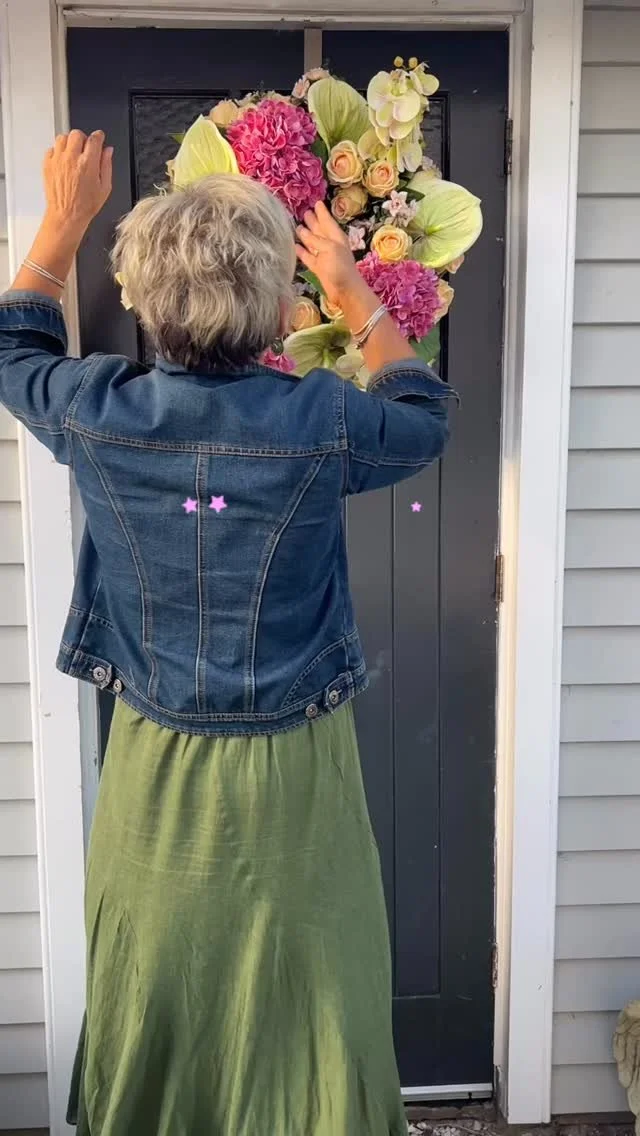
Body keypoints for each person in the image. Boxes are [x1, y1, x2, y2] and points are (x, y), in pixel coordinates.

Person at [0, 129, 455, 1135]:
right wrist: (353, 290)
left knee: (160, 979)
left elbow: (11, 349)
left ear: (145, 302)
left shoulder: (92, 408)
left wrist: (64, 221)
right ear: (275, 310)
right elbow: (422, 413)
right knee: (314, 986)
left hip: (153, 763)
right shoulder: (323, 420)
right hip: (297, 766)